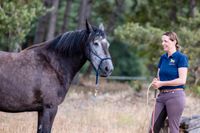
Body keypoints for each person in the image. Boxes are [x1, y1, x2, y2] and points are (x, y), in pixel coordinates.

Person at [149, 31, 189, 133]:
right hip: (161, 97)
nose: (163, 43)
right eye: (162, 41)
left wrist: (161, 83)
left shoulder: (181, 58)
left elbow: (182, 80)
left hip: (175, 96)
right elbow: (159, 77)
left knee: (173, 130)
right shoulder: (162, 58)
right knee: (153, 128)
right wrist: (156, 82)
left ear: (174, 41)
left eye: (165, 41)